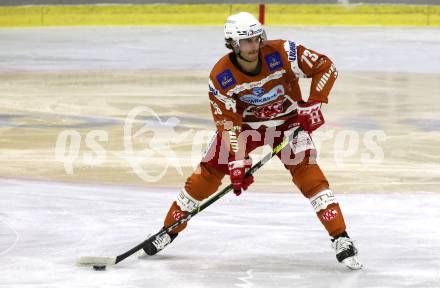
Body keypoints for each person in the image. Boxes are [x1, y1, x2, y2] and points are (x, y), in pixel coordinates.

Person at [143, 11, 362, 270]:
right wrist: (237, 159)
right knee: (206, 176)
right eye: (247, 41)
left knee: (310, 176)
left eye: (257, 38)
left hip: (288, 123)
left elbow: (326, 66)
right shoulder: (220, 77)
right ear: (233, 44)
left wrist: (314, 101)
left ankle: (341, 237)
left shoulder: (283, 52)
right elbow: (227, 121)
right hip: (246, 128)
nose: (254, 45)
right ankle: (168, 229)